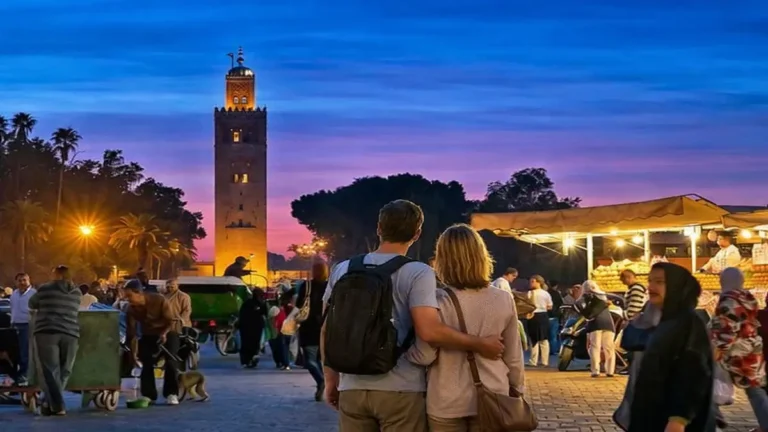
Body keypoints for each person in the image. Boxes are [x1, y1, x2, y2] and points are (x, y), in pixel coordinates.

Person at [321, 200, 504, 431]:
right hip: (401, 388)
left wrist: (331, 380)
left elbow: (327, 329)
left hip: (352, 386)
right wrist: (480, 344)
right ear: (417, 234)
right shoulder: (418, 272)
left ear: (379, 228)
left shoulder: (343, 268)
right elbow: (429, 331)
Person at [406, 223, 525, 431]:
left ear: (443, 260)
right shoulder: (504, 298)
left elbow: (424, 355)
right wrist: (517, 389)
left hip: (446, 400)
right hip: (494, 394)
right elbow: (513, 355)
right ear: (481, 255)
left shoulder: (435, 301)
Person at [628, 262, 714, 432]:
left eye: (659, 282)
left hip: (671, 420)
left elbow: (694, 372)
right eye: (650, 280)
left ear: (676, 286)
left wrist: (679, 419)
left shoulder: (688, 322)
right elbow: (630, 342)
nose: (651, 286)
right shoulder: (663, 320)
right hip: (651, 414)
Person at [709, 267, 768, 429]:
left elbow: (728, 328)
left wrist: (719, 348)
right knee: (755, 390)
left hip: (736, 353)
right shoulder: (747, 298)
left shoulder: (728, 301)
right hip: (752, 350)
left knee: (708, 381)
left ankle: (713, 415)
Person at [28, 265, 81, 415]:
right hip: (71, 333)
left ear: (57, 274)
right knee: (65, 370)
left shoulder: (45, 289)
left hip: (47, 331)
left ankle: (57, 406)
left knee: (50, 370)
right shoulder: (77, 292)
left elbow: (31, 303)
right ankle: (47, 402)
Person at [124, 279, 179, 405]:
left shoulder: (159, 300)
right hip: (148, 334)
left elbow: (170, 321)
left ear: (139, 293)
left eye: (129, 296)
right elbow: (131, 333)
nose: (127, 299)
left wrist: (163, 333)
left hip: (169, 332)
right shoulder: (130, 309)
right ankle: (149, 394)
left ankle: (171, 393)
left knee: (170, 361)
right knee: (146, 362)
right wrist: (132, 354)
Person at [296, 261, 329, 401]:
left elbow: (298, 304)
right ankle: (323, 383)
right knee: (321, 360)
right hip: (325, 327)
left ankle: (321, 381)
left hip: (308, 327)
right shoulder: (330, 286)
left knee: (310, 360)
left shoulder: (307, 285)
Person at [582, 280, 616, 378]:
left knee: (595, 347)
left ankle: (595, 370)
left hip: (595, 323)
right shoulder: (603, 295)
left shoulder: (588, 297)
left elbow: (586, 311)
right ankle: (610, 371)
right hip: (609, 323)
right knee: (609, 348)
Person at [9, 272, 36, 386]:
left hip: (28, 325)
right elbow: (13, 309)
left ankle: (25, 375)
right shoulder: (14, 294)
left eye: (24, 280)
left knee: (26, 351)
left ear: (29, 280)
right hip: (15, 325)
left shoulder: (34, 294)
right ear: (16, 282)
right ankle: (16, 375)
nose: (22, 282)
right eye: (20, 280)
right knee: (16, 352)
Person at [527, 274, 553, 367]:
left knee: (534, 339)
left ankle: (533, 361)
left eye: (532, 281)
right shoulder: (546, 293)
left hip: (533, 316)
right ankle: (545, 361)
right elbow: (550, 306)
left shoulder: (529, 294)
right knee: (544, 339)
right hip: (543, 316)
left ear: (539, 282)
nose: (530, 283)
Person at [239, 288, 267, 369]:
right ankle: (252, 359)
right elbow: (264, 313)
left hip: (246, 328)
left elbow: (242, 314)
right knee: (254, 344)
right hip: (255, 327)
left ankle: (246, 361)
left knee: (246, 344)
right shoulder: (260, 303)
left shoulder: (247, 303)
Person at [546, 279, 564, 354]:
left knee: (547, 335)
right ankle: (553, 350)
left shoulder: (546, 293)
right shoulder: (557, 294)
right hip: (555, 316)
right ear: (556, 286)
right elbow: (561, 304)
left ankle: (547, 350)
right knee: (554, 335)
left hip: (545, 315)